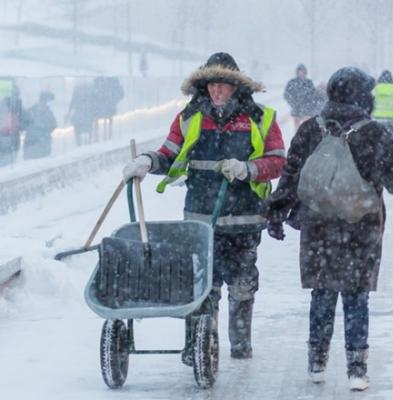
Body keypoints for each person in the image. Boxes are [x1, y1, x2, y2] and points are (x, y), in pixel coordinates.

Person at [122, 52, 286, 362]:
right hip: (199, 221)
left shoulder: (261, 118)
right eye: (212, 85)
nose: (217, 92)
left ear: (236, 87)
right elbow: (169, 153)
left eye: (223, 86)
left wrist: (247, 169)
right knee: (201, 288)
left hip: (244, 219)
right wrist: (148, 161)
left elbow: (278, 161)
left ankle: (240, 346)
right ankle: (199, 348)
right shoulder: (189, 117)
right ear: (204, 86)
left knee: (242, 286)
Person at [263, 67, 393, 391]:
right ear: (363, 96)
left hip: (319, 227)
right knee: (357, 297)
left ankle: (317, 361)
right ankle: (357, 368)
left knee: (323, 292)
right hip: (362, 227)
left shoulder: (310, 131)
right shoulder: (374, 133)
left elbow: (290, 178)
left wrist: (276, 213)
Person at [0, 84, 26, 168]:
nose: (15, 97)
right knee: (2, 164)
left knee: (11, 164)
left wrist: (20, 126)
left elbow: (25, 122)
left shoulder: (18, 106)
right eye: (14, 94)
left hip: (13, 139)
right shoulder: (0, 106)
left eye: (17, 94)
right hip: (2, 139)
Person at [371, 70, 393, 147]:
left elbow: (371, 104)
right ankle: (390, 151)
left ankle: (377, 151)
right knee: (390, 138)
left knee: (377, 138)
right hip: (391, 119)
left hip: (377, 119)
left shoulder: (375, 89)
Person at [284, 64, 321, 130]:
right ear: (297, 72)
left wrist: (311, 105)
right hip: (296, 110)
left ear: (305, 72)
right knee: (297, 130)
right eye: (300, 71)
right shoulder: (292, 83)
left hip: (307, 111)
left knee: (307, 129)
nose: (301, 73)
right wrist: (293, 103)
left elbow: (314, 96)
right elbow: (287, 95)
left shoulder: (309, 83)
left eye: (303, 71)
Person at [23, 91, 57, 160]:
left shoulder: (31, 110)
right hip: (37, 144)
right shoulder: (47, 113)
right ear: (44, 100)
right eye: (48, 101)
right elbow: (53, 125)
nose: (48, 104)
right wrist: (44, 131)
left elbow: (53, 125)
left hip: (39, 145)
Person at [92, 77, 124, 141]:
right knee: (109, 122)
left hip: (99, 108)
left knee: (98, 121)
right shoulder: (113, 81)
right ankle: (108, 137)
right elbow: (120, 95)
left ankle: (97, 138)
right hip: (109, 107)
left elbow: (93, 95)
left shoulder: (97, 82)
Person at [66, 81, 96, 146]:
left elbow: (72, 104)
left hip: (80, 116)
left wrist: (68, 114)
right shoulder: (90, 90)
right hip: (87, 115)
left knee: (78, 131)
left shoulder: (77, 90)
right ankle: (88, 144)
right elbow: (93, 104)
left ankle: (79, 145)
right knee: (87, 130)